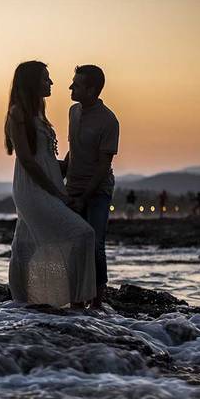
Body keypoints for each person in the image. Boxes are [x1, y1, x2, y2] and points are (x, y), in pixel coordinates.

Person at [6, 61, 96, 309]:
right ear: (32, 82)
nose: (52, 83)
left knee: (25, 243)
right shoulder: (18, 112)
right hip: (32, 188)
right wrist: (56, 192)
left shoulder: (38, 113)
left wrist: (74, 158)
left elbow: (44, 159)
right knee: (83, 233)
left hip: (46, 184)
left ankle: (23, 303)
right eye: (46, 78)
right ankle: (78, 302)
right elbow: (27, 160)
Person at [61, 65, 119, 309]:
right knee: (74, 244)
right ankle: (76, 299)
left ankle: (97, 302)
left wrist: (85, 197)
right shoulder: (73, 111)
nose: (71, 87)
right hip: (72, 188)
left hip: (98, 192)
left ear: (92, 89)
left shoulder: (109, 120)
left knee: (95, 243)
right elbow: (73, 151)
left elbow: (104, 165)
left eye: (76, 84)